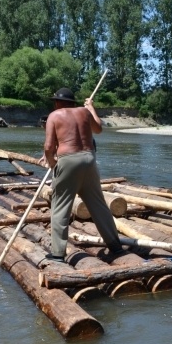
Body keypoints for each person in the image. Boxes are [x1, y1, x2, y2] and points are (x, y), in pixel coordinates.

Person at [43, 87, 123, 260]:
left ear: (57, 102)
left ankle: (57, 253)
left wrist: (52, 163)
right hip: (89, 159)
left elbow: (49, 147)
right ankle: (115, 246)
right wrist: (91, 108)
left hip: (68, 161)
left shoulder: (54, 116)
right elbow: (99, 129)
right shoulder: (84, 112)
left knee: (60, 207)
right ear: (73, 102)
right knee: (98, 205)